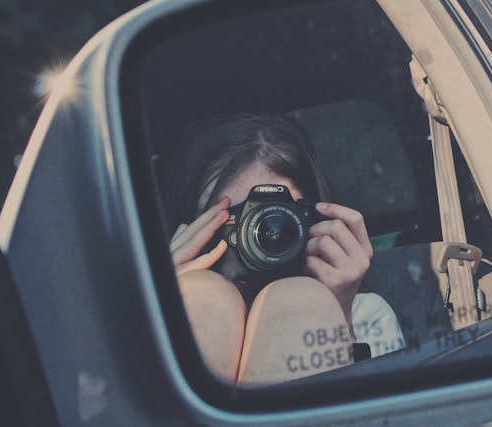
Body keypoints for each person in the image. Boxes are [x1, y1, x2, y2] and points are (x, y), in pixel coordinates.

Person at [160, 113, 405, 385]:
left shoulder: (365, 313)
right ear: (192, 227)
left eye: (275, 218)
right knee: (204, 294)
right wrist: (163, 305)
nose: (261, 234)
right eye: (232, 216)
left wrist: (338, 314)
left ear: (313, 218)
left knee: (301, 299)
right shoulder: (156, 306)